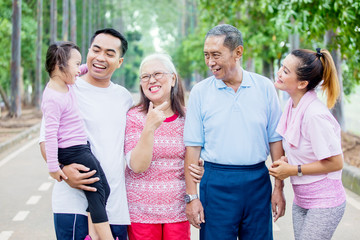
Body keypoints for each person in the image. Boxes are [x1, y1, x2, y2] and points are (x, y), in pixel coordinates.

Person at [183, 24, 286, 240]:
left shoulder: (265, 87)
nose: (210, 62)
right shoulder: (200, 92)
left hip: (257, 182)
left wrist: (278, 187)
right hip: (216, 183)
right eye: (206, 55)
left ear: (238, 52)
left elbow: (275, 141)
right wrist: (192, 197)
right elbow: (192, 148)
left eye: (216, 55)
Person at [40, 28, 133, 240]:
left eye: (110, 54)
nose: (100, 58)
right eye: (96, 50)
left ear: (119, 62)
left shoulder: (124, 98)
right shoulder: (65, 88)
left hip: (115, 209)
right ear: (88, 51)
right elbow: (46, 140)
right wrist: (63, 171)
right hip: (72, 206)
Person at [269, 48, 346, 240]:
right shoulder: (291, 107)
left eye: (286, 71)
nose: (279, 72)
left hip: (325, 202)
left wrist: (293, 169)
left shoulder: (314, 115)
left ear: (302, 83)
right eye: (281, 67)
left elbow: (336, 163)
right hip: (302, 199)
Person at [124, 53, 203, 240]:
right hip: (140, 213)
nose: (152, 80)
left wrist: (200, 167)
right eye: (145, 76)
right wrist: (149, 127)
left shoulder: (188, 117)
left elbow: (196, 158)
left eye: (158, 74)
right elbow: (137, 165)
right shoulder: (134, 116)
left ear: (173, 78)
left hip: (177, 211)